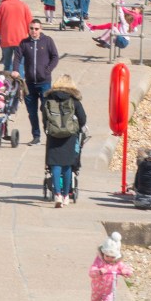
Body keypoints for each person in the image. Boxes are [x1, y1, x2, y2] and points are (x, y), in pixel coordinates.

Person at [43, 73, 87, 207]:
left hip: (53, 134)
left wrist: (48, 129)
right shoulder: (74, 100)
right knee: (67, 165)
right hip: (70, 135)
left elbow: (45, 118)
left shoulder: (48, 99)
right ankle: (66, 195)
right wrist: (76, 128)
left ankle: (57, 195)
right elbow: (83, 119)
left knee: (55, 165)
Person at [13, 18, 60, 145]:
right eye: (32, 28)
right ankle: (36, 136)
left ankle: (49, 135)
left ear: (41, 29)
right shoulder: (24, 43)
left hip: (44, 82)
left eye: (36, 29)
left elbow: (55, 57)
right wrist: (16, 70)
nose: (33, 31)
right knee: (32, 112)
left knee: (46, 111)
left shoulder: (47, 41)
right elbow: (17, 57)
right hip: (29, 84)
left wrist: (48, 70)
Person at [88, 230, 133, 301]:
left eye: (112, 257)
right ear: (103, 253)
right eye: (107, 256)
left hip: (109, 290)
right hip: (97, 289)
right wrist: (99, 271)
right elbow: (91, 271)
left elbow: (126, 268)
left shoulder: (117, 263)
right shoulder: (99, 261)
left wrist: (126, 272)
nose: (109, 259)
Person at [0, 0, 33, 71]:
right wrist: (31, 39)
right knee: (20, 65)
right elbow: (30, 24)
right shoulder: (24, 6)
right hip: (21, 40)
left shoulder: (3, 6)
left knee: (7, 65)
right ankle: (19, 83)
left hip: (6, 40)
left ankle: (8, 83)